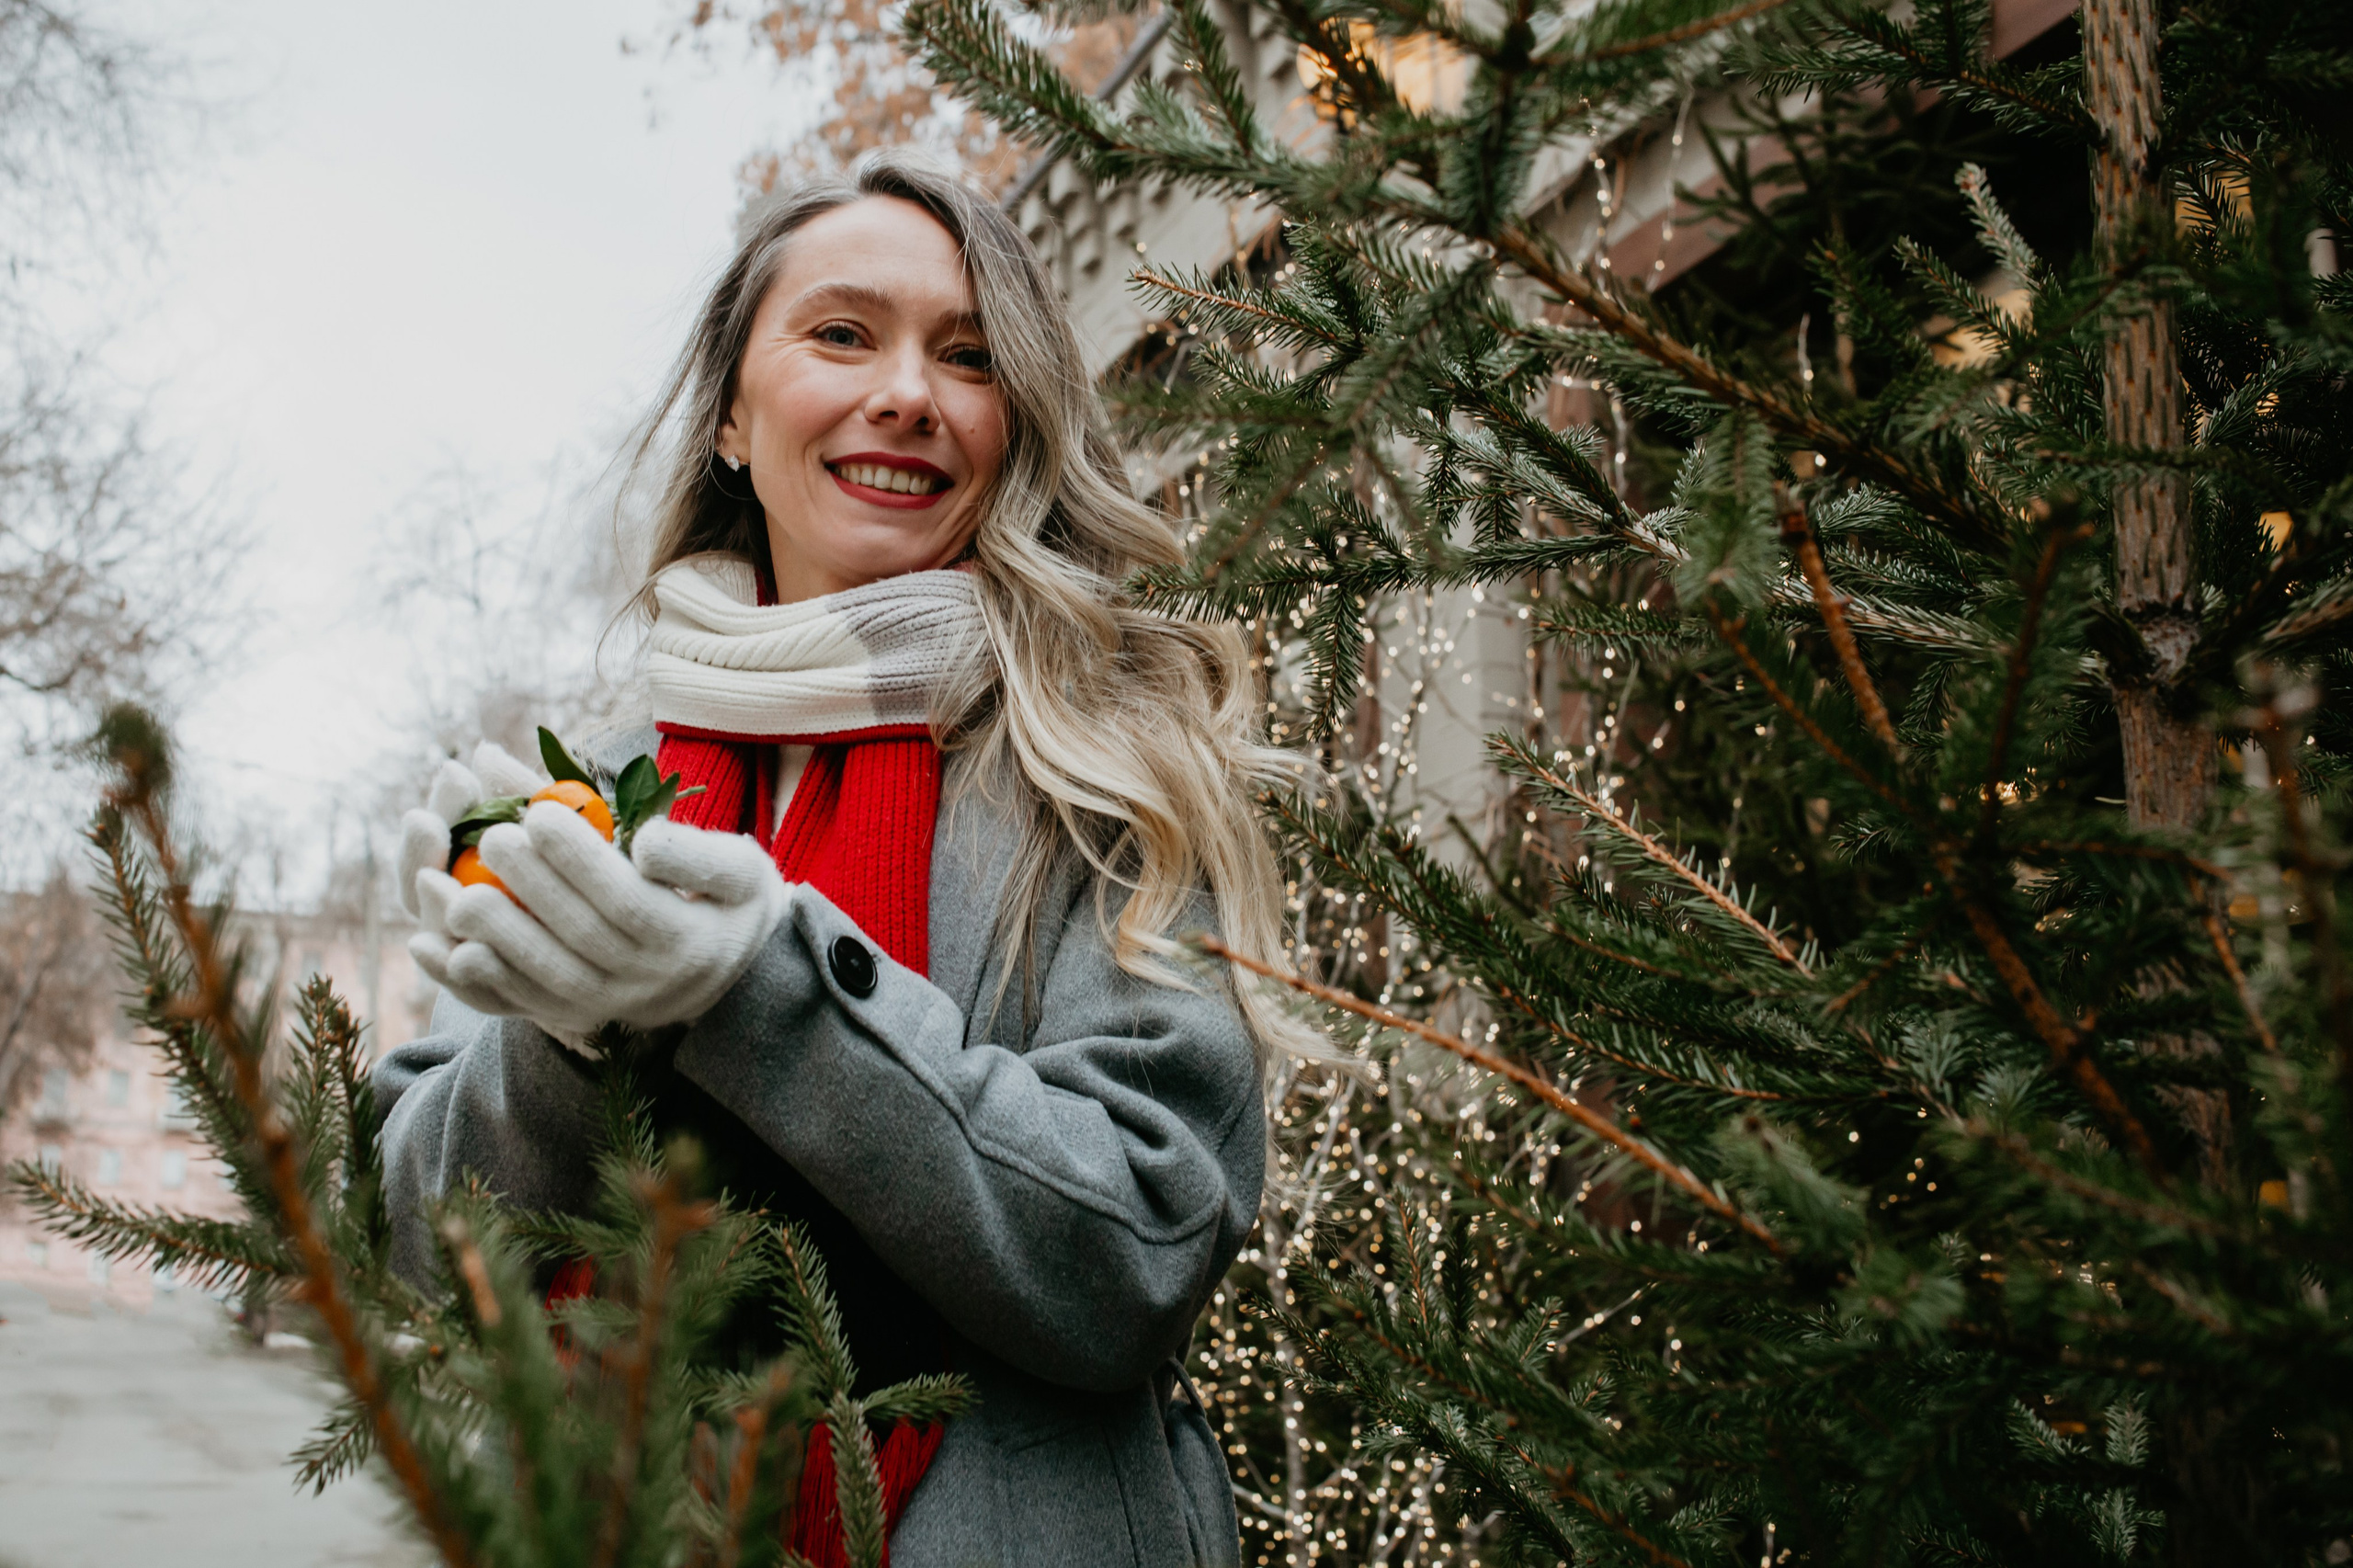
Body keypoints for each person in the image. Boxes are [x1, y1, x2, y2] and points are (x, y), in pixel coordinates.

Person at [370, 151, 1321, 1568]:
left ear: (1015, 426)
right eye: (840, 333)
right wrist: (569, 1045)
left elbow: (1142, 1243)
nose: (907, 392)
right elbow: (398, 1225)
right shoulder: (604, 789)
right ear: (732, 423)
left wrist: (763, 992)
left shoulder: (1108, 767)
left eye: (969, 355)